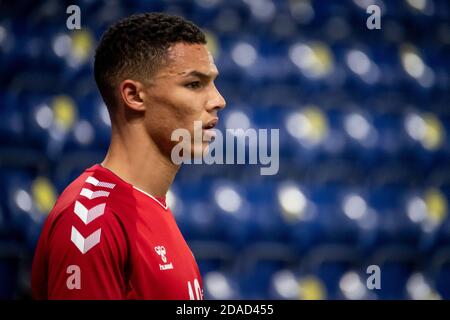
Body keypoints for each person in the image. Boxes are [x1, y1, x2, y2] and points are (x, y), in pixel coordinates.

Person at [31, 12, 226, 299]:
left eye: (212, 83)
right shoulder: (91, 220)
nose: (218, 100)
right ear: (134, 96)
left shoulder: (152, 207)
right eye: (194, 84)